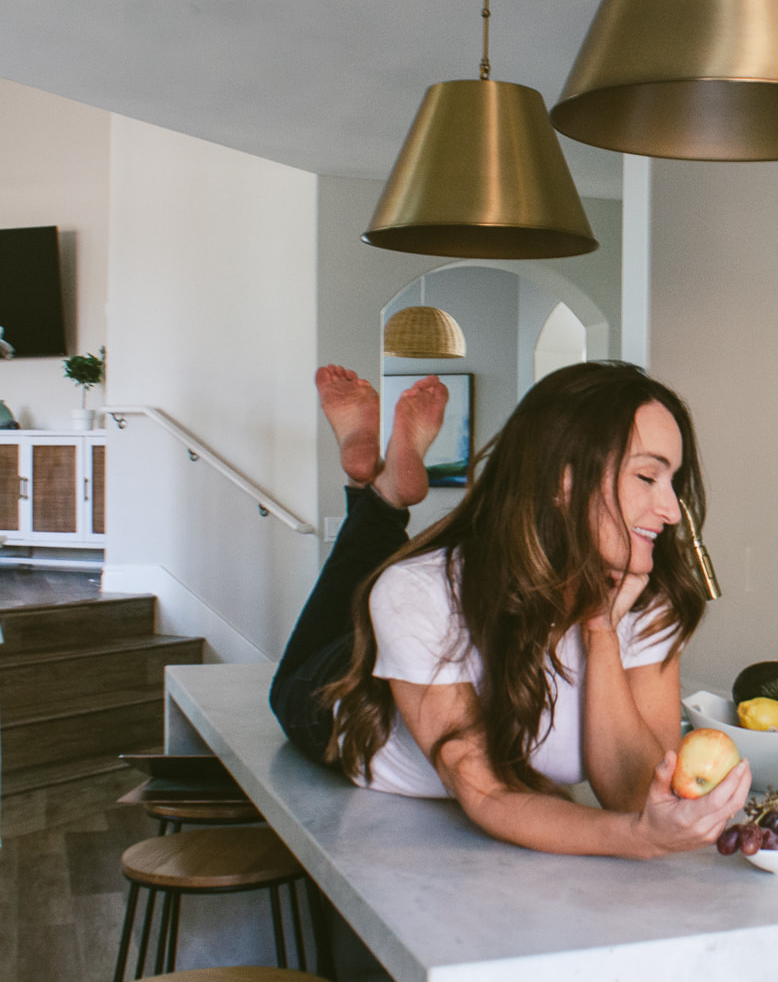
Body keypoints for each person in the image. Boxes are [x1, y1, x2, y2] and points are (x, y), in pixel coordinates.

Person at [269, 362, 751, 859]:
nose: (672, 511)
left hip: (434, 623)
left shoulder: (646, 600)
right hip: (339, 697)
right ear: (562, 481)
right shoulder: (419, 593)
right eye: (648, 476)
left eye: (673, 481)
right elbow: (489, 793)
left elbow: (635, 794)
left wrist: (600, 628)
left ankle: (386, 486)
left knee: (388, 584)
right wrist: (638, 839)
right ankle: (381, 499)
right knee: (361, 592)